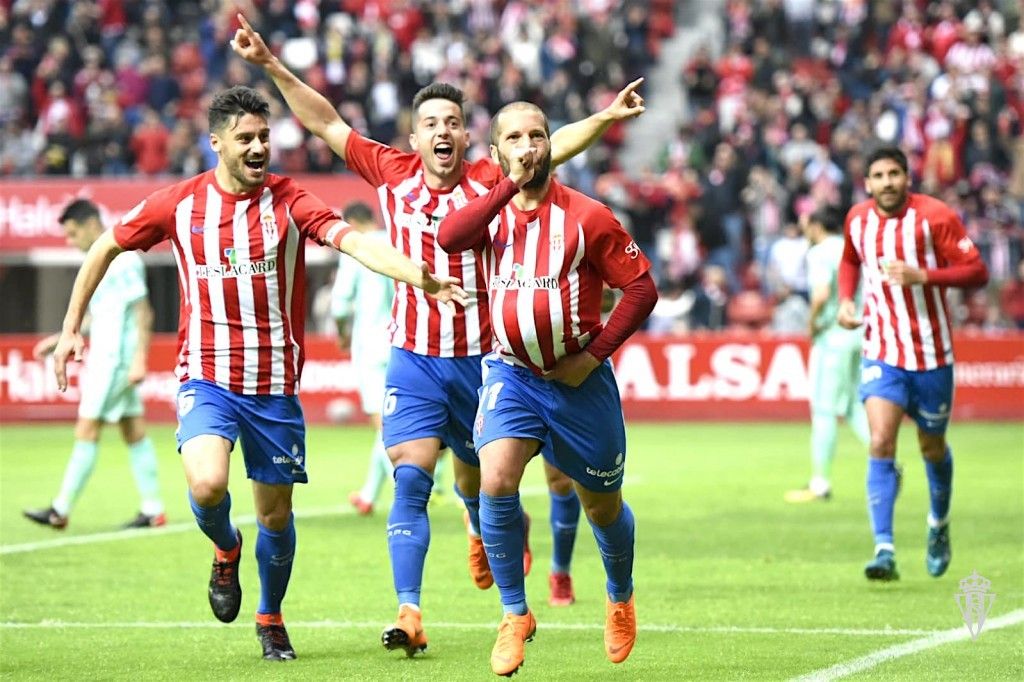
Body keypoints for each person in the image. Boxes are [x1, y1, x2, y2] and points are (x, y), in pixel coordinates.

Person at [230, 14, 645, 643]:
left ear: (469, 136)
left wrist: (606, 120)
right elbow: (324, 121)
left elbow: (549, 146)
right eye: (431, 123)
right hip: (414, 356)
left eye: (453, 122)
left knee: (479, 485)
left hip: (484, 357)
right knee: (411, 474)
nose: (442, 131)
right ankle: (410, 611)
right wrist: (270, 66)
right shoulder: (390, 172)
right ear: (415, 137)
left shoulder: (492, 176)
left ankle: (483, 529)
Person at [50, 86, 466, 662]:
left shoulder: (289, 199)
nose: (257, 147)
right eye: (245, 138)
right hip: (208, 378)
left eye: (264, 137)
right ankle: (225, 549)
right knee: (207, 484)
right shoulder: (181, 204)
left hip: (274, 389)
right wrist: (72, 327)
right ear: (216, 142)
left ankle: (270, 617)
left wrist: (418, 275)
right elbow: (103, 247)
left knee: (276, 515)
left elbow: (356, 243)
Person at [437, 102, 658, 675]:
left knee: (601, 506)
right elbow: (449, 238)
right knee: (496, 478)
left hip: (578, 382)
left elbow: (641, 290)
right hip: (511, 372)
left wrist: (592, 357)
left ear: (551, 145)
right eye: (515, 137)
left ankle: (619, 595)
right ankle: (515, 613)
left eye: (538, 135)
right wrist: (506, 187)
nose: (529, 144)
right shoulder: (491, 211)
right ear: (497, 152)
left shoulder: (588, 217)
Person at [837, 147, 989, 581]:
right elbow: (850, 259)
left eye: (894, 174)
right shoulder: (858, 220)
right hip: (882, 351)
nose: (886, 182)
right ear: (867, 183)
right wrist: (847, 300)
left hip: (932, 354)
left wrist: (926, 276)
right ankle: (884, 549)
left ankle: (938, 524)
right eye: (878, 175)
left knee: (931, 448)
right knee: (881, 440)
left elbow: (976, 271)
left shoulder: (934, 216)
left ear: (907, 178)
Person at [24, 199, 166, 531]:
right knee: (133, 431)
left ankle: (60, 509)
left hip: (115, 362)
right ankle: (154, 509)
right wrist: (62, 336)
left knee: (86, 429)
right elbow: (101, 312)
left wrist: (139, 360)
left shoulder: (124, 260)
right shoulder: (102, 262)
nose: (70, 242)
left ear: (91, 225)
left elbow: (144, 312)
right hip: (111, 359)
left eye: (73, 234)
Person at [785, 206, 870, 503]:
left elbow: (821, 294)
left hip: (831, 339)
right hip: (857, 335)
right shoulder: (850, 249)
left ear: (818, 226)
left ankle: (820, 482)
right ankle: (887, 461)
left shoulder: (819, 252)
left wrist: (811, 325)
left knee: (823, 410)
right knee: (853, 407)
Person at [330, 201, 396, 516]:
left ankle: (412, 489)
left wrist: (342, 332)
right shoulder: (396, 241)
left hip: (371, 348)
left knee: (382, 426)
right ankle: (369, 494)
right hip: (401, 344)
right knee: (390, 424)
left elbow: (340, 305)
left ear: (352, 223)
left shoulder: (357, 249)